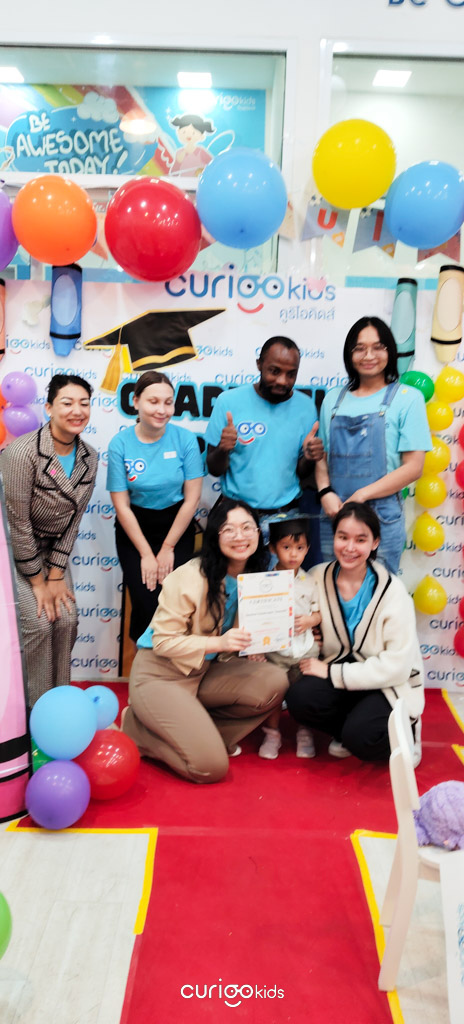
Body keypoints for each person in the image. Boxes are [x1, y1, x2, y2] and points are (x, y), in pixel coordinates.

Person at [121, 498, 288, 783]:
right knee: (210, 767)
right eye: (229, 529)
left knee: (275, 681)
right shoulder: (190, 576)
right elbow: (163, 643)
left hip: (204, 672)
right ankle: (138, 732)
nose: (240, 536)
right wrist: (220, 644)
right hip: (161, 674)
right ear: (215, 535)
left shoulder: (255, 576)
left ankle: (193, 730)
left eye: (247, 527)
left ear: (258, 533)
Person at [286, 502, 424, 765]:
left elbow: (397, 667)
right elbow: (306, 618)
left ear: (375, 543)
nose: (349, 547)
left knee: (363, 737)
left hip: (388, 682)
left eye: (360, 540)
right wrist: (311, 634)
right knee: (300, 698)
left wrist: (332, 673)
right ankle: (346, 730)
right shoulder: (317, 577)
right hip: (345, 672)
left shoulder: (393, 592)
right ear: (334, 537)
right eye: (343, 537)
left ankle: (408, 734)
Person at [0, 373, 98, 705]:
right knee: (41, 623)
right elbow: (18, 523)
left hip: (53, 553)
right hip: (14, 550)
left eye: (84, 403)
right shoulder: (22, 452)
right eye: (67, 403)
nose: (77, 411)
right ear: (49, 408)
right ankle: (34, 709)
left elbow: (74, 521)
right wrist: (39, 583)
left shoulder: (90, 457)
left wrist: (56, 576)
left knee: (67, 619)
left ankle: (60, 704)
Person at [315, 316, 431, 575]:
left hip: (382, 517)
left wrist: (362, 495)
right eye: (359, 348)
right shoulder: (333, 399)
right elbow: (322, 457)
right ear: (349, 354)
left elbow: (413, 468)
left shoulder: (408, 399)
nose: (369, 356)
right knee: (333, 585)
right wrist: (325, 492)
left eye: (378, 347)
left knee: (381, 589)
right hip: (335, 513)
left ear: (390, 351)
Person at [107, 371, 204, 643]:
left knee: (174, 600)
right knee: (145, 602)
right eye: (153, 402)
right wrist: (146, 554)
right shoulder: (120, 444)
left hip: (177, 528)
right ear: (136, 401)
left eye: (168, 402)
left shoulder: (185, 439)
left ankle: (174, 662)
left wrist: (168, 547)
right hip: (134, 530)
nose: (162, 410)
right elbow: (121, 506)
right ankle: (144, 662)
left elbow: (192, 499)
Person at [205, 336, 323, 519]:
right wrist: (223, 449)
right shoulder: (228, 401)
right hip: (237, 516)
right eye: (274, 371)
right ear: (259, 364)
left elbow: (301, 472)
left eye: (291, 374)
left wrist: (308, 458)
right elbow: (214, 469)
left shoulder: (306, 407)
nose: (282, 381)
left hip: (286, 515)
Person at [254, 515, 321, 760]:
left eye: (300, 548)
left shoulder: (310, 582)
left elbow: (318, 612)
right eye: (286, 547)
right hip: (275, 651)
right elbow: (255, 618)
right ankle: (272, 733)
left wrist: (310, 621)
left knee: (304, 692)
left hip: (305, 649)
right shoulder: (263, 582)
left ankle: (304, 732)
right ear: (273, 548)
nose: (293, 554)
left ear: (308, 549)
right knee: (275, 693)